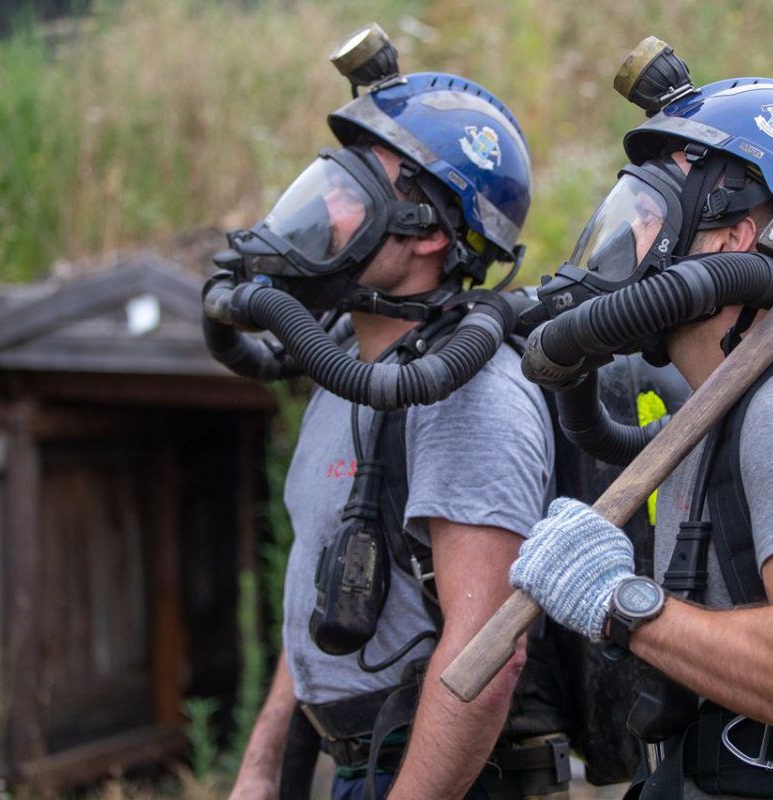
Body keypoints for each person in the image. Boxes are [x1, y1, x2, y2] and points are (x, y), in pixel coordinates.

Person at [509, 75, 773, 799]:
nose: (629, 236)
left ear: (736, 239)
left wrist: (623, 604)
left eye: (653, 214)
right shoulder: (716, 416)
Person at [223, 31, 566, 800]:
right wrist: (260, 769)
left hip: (442, 773)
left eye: (355, 191)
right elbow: (331, 585)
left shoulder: (466, 392)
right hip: (364, 763)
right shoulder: (346, 368)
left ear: (430, 231)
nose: (327, 206)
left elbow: (488, 654)